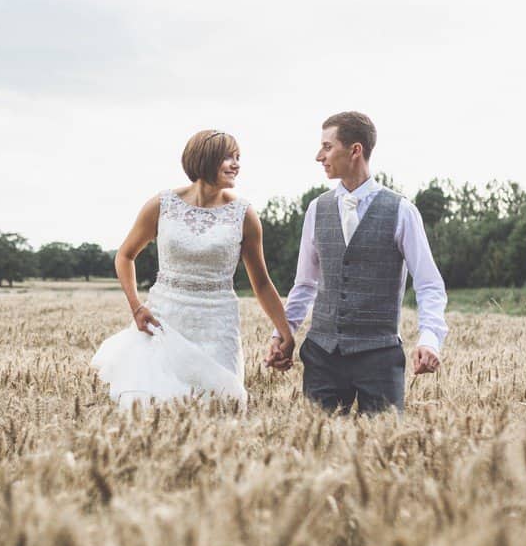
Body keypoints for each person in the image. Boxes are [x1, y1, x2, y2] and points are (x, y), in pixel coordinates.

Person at [91, 130, 295, 408]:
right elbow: (125, 255)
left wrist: (285, 332)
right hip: (166, 320)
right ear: (204, 158)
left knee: (221, 406)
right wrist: (136, 307)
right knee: (154, 406)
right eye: (227, 156)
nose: (236, 164)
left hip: (218, 324)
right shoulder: (162, 205)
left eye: (238, 157)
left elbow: (260, 282)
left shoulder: (244, 214)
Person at [265, 112, 448, 415]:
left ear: (355, 150)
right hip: (321, 355)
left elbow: (429, 284)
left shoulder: (402, 210)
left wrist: (430, 340)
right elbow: (305, 284)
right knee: (317, 452)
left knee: (384, 452)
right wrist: (281, 334)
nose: (318, 156)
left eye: (327, 146)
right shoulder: (317, 209)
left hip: (379, 357)